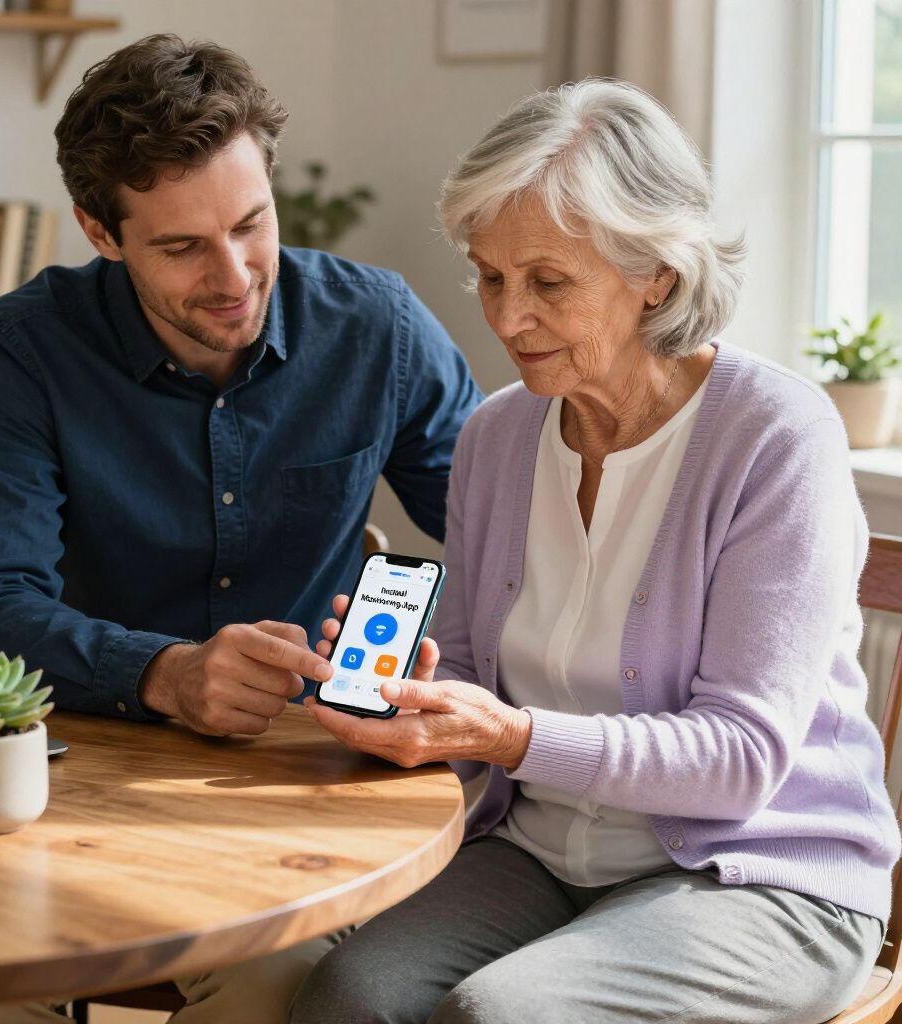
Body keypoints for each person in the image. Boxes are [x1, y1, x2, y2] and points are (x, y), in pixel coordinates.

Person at [292, 79, 901, 1024]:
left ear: (656, 270)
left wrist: (505, 734)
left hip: (759, 876)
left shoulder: (777, 436)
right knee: (348, 996)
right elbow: (463, 667)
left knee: (495, 1017)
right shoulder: (497, 438)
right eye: (489, 275)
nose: (505, 318)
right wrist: (414, 694)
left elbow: (740, 759)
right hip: (536, 853)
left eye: (548, 282)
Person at [0, 33, 480, 1024]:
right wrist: (163, 671)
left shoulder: (375, 329)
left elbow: (503, 545)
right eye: (181, 246)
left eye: (251, 225)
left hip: (303, 780)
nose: (231, 275)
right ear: (102, 232)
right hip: (86, 772)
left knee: (285, 984)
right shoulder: (23, 353)